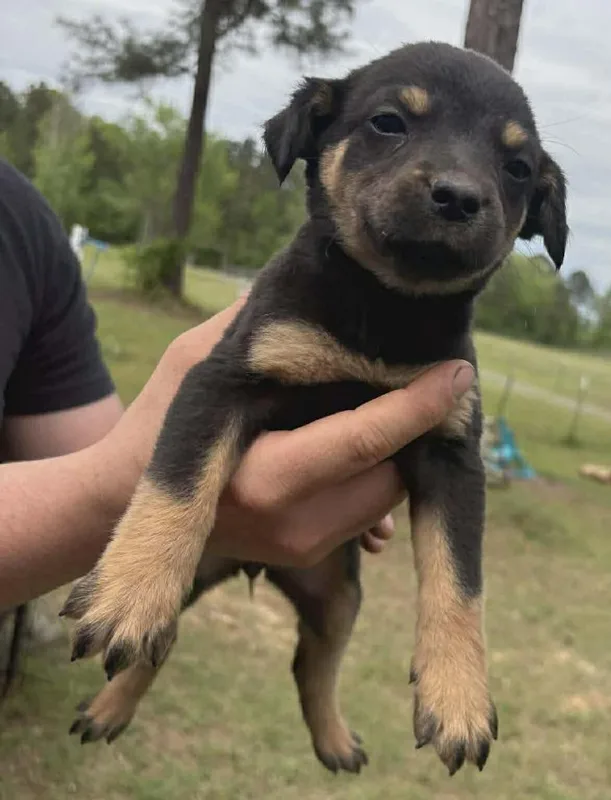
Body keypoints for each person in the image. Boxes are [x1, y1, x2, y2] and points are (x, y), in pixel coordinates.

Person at [0, 158, 475, 651]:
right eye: (388, 124)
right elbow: (110, 474)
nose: (459, 184)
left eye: (516, 169)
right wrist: (127, 509)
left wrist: (312, 460)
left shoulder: (24, 225)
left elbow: (89, 447)